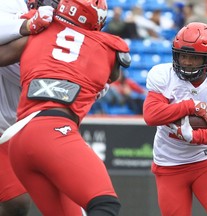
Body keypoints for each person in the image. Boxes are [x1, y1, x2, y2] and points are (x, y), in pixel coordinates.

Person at [0, 0, 131, 215]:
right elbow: (113, 74)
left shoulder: (39, 30)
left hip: (19, 135)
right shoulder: (108, 47)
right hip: (51, 130)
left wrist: (27, 27)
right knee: (105, 204)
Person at [143, 22, 207, 215]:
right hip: (169, 164)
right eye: (183, 55)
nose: (187, 62)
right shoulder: (163, 75)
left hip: (205, 161)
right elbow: (151, 115)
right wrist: (191, 106)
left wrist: (196, 137)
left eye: (194, 57)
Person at [0, 1, 55, 215]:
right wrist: (28, 26)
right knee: (17, 202)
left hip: (31, 127)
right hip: (4, 127)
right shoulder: (10, 3)